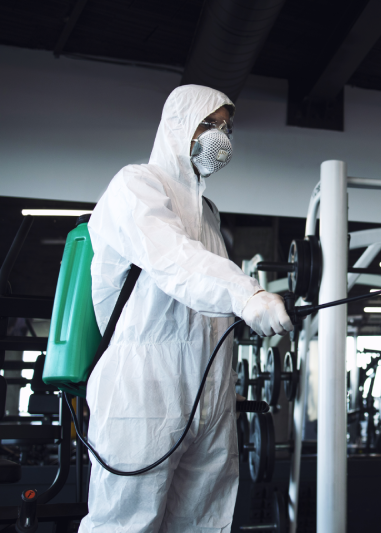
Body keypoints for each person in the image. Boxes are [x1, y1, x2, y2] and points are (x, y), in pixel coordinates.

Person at [80, 84, 292, 532]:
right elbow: (174, 260)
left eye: (227, 128)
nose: (222, 137)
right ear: (179, 127)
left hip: (208, 400)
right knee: (124, 524)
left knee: (202, 523)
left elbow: (207, 312)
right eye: (210, 125)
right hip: (143, 391)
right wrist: (247, 294)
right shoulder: (137, 185)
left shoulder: (209, 216)